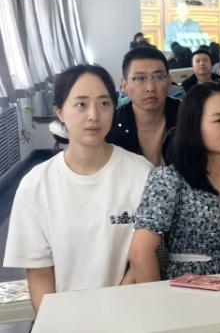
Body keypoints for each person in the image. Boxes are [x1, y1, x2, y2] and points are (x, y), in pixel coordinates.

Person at [3, 65, 154, 313]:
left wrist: (114, 312)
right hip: (64, 319)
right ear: (60, 112)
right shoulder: (36, 185)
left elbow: (145, 258)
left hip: (129, 313)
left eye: (104, 103)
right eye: (81, 104)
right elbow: (39, 273)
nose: (94, 115)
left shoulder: (142, 174)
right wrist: (57, 323)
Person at [127, 83, 220, 283]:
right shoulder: (169, 180)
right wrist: (159, 298)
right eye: (218, 120)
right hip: (185, 288)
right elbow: (140, 252)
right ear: (194, 126)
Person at [107, 47, 180, 167]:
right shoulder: (112, 126)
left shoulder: (187, 117)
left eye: (159, 77)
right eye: (140, 78)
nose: (150, 87)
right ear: (124, 86)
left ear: (169, 82)